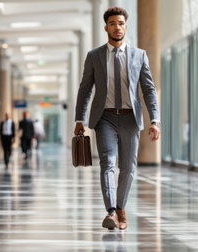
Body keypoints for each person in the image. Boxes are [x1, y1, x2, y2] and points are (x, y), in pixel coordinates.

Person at [74, 6, 160, 230]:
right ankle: (111, 212)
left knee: (128, 167)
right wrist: (79, 120)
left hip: (131, 117)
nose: (117, 27)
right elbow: (85, 90)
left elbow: (149, 90)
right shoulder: (94, 56)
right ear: (106, 27)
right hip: (105, 118)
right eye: (112, 23)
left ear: (125, 26)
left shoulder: (139, 55)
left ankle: (121, 207)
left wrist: (154, 120)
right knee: (107, 163)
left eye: (121, 23)